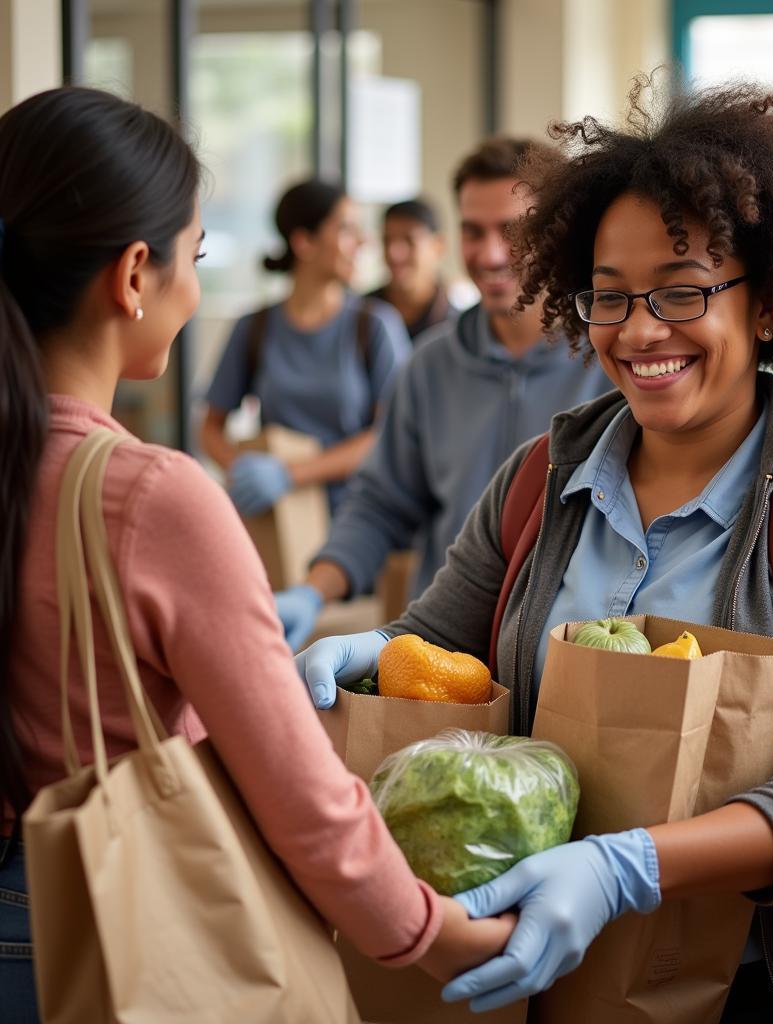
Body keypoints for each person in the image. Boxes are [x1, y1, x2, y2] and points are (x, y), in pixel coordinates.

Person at [300, 81, 773, 1022]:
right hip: (518, 977)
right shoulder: (538, 480)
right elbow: (442, 650)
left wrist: (623, 868)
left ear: (768, 303)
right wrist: (366, 655)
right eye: (608, 296)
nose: (639, 331)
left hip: (738, 991)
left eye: (683, 291)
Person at [0, 86, 510, 1024]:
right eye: (195, 257)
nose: (196, 288)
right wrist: (441, 936)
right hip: (108, 920)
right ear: (135, 274)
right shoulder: (149, 499)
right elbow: (304, 803)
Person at [274, 136, 611, 653]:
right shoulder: (428, 367)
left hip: (571, 658)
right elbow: (380, 504)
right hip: (442, 656)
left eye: (514, 231)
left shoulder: (610, 363)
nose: (490, 253)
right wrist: (311, 594)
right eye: (473, 231)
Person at [200, 179, 410, 517]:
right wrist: (242, 470)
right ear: (304, 242)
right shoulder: (254, 327)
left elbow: (388, 436)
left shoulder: (374, 327)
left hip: (358, 521)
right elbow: (209, 428)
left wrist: (288, 475)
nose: (362, 242)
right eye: (346, 229)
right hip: (280, 522)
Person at [366, 197, 455, 340]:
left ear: (438, 246)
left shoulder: (456, 328)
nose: (394, 253)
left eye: (409, 240)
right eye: (387, 240)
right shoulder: (362, 316)